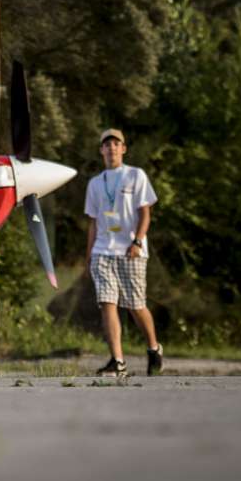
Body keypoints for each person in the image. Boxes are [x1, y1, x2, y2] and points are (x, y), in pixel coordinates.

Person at [84, 128, 162, 377]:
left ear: (124, 148)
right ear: (101, 150)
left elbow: (145, 212)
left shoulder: (135, 176)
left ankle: (153, 347)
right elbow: (93, 222)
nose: (111, 148)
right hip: (103, 250)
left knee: (135, 304)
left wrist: (138, 241)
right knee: (107, 302)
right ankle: (118, 361)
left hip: (130, 250)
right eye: (107, 145)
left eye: (116, 144)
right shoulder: (95, 183)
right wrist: (88, 255)